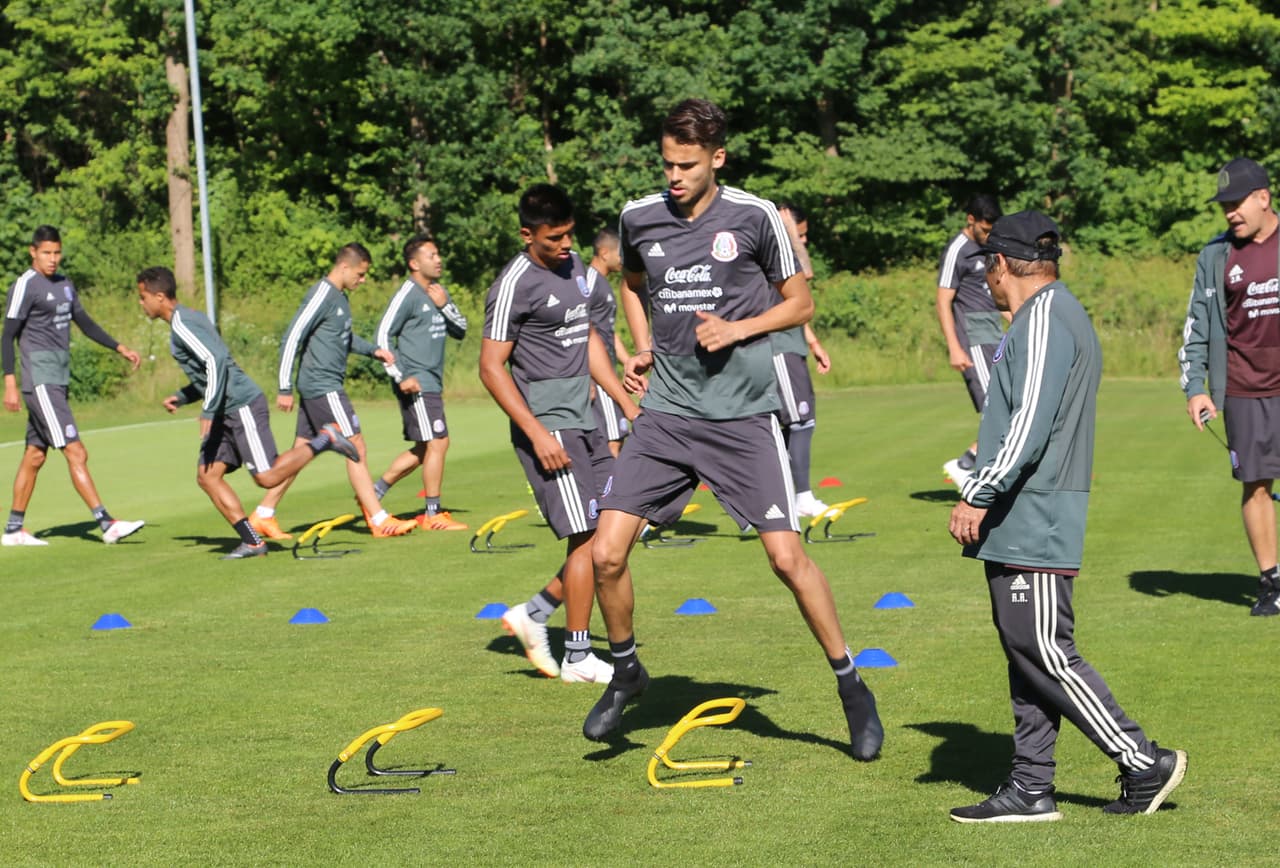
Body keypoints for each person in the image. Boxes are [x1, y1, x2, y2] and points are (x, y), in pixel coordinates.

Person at [583, 98, 883, 761]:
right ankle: (627, 670)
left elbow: (800, 302)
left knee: (786, 558)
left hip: (742, 417)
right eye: (667, 164)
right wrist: (641, 345)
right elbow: (633, 284)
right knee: (605, 555)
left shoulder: (756, 217)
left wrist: (738, 329)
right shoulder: (639, 217)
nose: (674, 177)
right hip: (665, 415)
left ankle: (851, 687)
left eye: (687, 165)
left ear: (717, 157)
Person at [947, 211, 1186, 822]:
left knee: (1045, 648)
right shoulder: (1041, 315)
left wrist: (981, 489)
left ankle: (1142, 758)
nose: (989, 283)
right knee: (1024, 650)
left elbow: (1029, 423)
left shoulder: (1048, 317)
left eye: (989, 270)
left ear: (1001, 264)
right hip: (1022, 510)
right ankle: (1030, 786)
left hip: (1036, 509)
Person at [480, 183, 638, 684]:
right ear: (528, 234)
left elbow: (587, 338)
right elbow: (490, 367)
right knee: (588, 536)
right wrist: (536, 432)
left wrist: (626, 401)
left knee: (620, 525)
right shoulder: (513, 284)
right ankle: (576, 655)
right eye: (555, 238)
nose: (566, 244)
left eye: (570, 234)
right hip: (549, 426)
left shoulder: (578, 273)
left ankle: (535, 613)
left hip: (588, 419)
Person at [135, 266, 363, 558]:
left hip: (240, 404)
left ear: (159, 296)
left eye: (143, 297)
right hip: (225, 409)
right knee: (208, 476)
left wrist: (207, 410)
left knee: (266, 477)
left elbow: (216, 361)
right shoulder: (190, 318)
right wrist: (183, 396)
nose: (141, 304)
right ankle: (253, 541)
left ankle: (326, 439)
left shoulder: (181, 324)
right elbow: (211, 369)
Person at [248, 243, 417, 541]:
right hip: (323, 387)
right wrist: (284, 387)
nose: (362, 281)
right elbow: (292, 337)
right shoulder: (322, 295)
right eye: (361, 274)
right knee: (355, 446)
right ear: (345, 267)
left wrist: (373, 350)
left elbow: (343, 336)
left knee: (302, 451)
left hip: (320, 387)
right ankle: (378, 519)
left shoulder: (339, 298)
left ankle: (263, 514)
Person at [1, 225, 146, 546]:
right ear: (33, 252)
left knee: (35, 455)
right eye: (46, 253)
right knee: (76, 451)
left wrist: (119, 347)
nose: (53, 259)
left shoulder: (65, 284)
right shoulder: (26, 285)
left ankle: (13, 530)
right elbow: (7, 335)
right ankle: (107, 523)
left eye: (57, 252)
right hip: (40, 380)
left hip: (58, 380)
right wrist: (9, 381)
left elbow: (85, 322)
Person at [1180, 157, 1280, 617]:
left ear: (1264, 197)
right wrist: (1196, 388)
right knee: (1255, 485)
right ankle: (1271, 583)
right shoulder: (1215, 256)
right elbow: (1196, 328)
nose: (1230, 213)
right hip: (1242, 390)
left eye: (1236, 203)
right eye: (1224, 206)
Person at [370, 235, 468, 530]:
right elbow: (382, 336)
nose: (438, 260)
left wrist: (445, 304)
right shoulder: (407, 294)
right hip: (417, 382)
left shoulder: (438, 292)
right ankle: (433, 514)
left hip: (431, 382)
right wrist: (401, 375)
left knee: (426, 449)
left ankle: (371, 495)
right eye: (431, 255)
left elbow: (461, 330)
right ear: (414, 263)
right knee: (438, 442)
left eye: (438, 254)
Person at [936, 194, 1004, 489]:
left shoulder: (988, 248)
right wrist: (954, 347)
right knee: (996, 408)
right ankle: (967, 465)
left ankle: (974, 465)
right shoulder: (958, 250)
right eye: (985, 230)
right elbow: (943, 300)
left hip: (993, 333)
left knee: (1007, 405)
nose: (989, 236)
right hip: (973, 336)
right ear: (971, 220)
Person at [774, 203, 832, 517]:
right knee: (799, 421)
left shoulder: (783, 254)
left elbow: (798, 303)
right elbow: (807, 272)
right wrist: (789, 233)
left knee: (791, 423)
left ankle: (783, 498)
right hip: (778, 347)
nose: (804, 240)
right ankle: (801, 497)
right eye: (802, 233)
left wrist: (813, 342)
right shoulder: (778, 251)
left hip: (792, 343)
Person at [586, 228, 630, 457]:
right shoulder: (589, 282)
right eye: (620, 254)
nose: (623, 259)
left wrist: (627, 362)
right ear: (604, 253)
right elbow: (579, 328)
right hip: (598, 373)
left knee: (617, 437)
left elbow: (608, 331)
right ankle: (611, 492)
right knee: (613, 439)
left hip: (609, 371)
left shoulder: (602, 283)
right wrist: (586, 374)